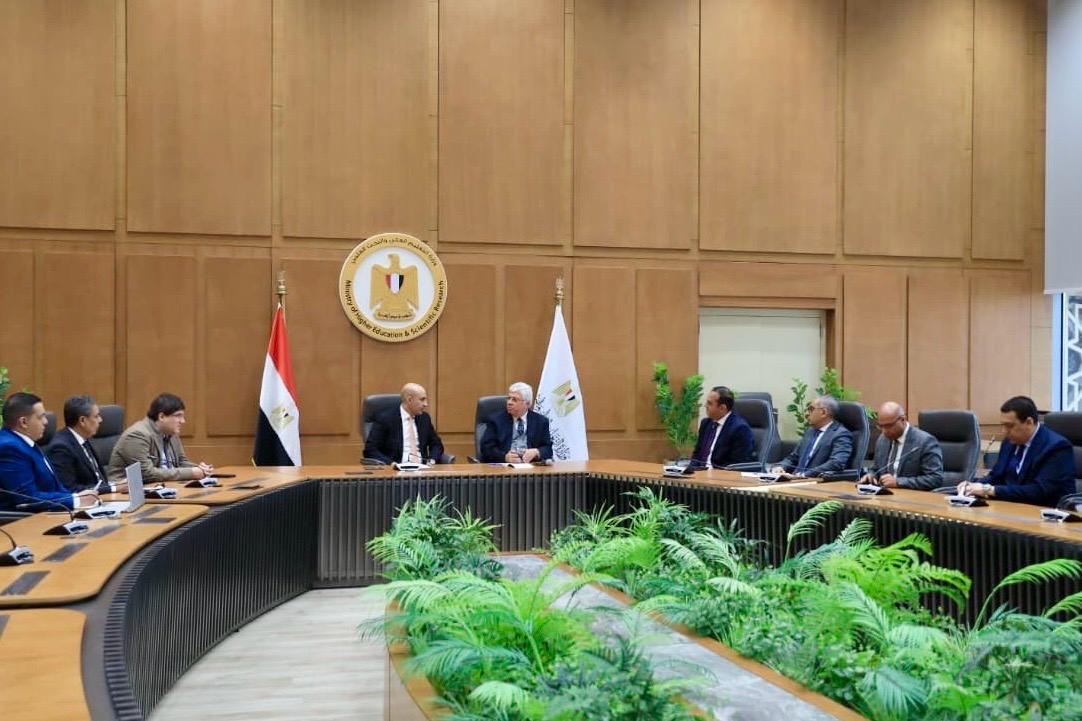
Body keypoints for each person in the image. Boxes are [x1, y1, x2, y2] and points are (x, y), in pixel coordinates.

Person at [957, 395, 1075, 507]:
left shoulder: (1057, 447)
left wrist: (988, 490)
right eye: (1003, 425)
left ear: (1029, 422)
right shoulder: (1009, 442)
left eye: (1009, 426)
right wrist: (973, 485)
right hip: (1009, 508)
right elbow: (996, 476)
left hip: (1044, 513)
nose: (1004, 431)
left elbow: (1039, 491)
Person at [0, 392, 99, 511]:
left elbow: (55, 488)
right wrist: (75, 500)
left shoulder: (27, 442)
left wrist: (76, 497)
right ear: (24, 422)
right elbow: (26, 498)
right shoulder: (9, 448)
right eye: (41, 417)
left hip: (51, 512)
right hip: (26, 519)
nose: (46, 422)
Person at [108, 393, 213, 484]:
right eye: (178, 416)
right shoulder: (137, 435)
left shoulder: (170, 433)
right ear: (161, 417)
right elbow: (147, 474)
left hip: (161, 486)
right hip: (126, 492)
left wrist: (201, 469)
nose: (182, 421)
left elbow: (181, 462)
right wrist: (191, 473)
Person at [47, 395, 125, 493]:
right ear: (82, 421)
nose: (100, 420)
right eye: (96, 416)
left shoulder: (84, 438)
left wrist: (114, 485)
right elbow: (70, 489)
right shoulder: (60, 448)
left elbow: (98, 480)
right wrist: (113, 488)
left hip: (102, 497)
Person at [859, 401, 943, 490]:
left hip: (911, 496)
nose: (884, 431)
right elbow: (876, 469)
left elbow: (935, 479)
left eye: (888, 426)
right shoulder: (882, 440)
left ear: (903, 420)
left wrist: (898, 482)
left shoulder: (925, 442)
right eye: (881, 426)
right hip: (883, 494)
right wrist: (871, 475)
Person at [771, 395, 853, 478]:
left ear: (823, 412)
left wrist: (804, 475)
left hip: (816, 481)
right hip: (795, 479)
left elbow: (836, 463)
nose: (807, 413)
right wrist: (780, 467)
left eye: (811, 409)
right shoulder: (810, 431)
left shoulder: (840, 434)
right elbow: (793, 458)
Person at [363, 383, 445, 464]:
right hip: (395, 469)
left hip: (423, 469)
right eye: (422, 400)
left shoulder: (424, 418)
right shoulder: (385, 419)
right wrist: (391, 463)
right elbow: (370, 450)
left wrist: (432, 460)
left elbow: (436, 444)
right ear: (409, 400)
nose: (425, 404)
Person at [480, 382, 552, 463]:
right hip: (505, 467)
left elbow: (548, 449)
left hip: (531, 466)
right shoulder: (496, 420)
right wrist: (504, 457)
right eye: (509, 398)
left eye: (514, 399)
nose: (509, 402)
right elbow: (486, 449)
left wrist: (537, 452)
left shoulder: (541, 421)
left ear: (527, 403)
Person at [690, 386, 755, 469]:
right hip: (700, 473)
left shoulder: (740, 429)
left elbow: (738, 464)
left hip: (721, 474)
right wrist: (690, 470)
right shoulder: (706, 423)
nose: (705, 406)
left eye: (709, 403)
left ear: (722, 408)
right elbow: (697, 454)